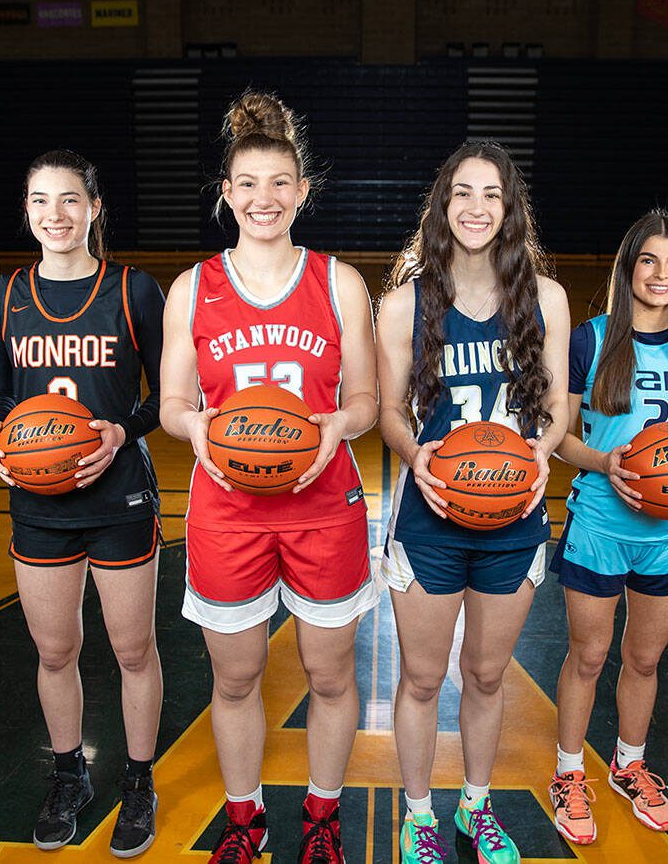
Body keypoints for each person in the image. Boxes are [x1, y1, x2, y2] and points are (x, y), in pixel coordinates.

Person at [159, 90, 379, 864]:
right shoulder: (192, 288)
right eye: (248, 183)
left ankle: (322, 816)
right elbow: (173, 402)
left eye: (280, 182)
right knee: (237, 675)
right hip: (227, 507)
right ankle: (245, 820)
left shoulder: (339, 282)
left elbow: (365, 400)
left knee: (328, 671)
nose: (264, 198)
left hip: (325, 504)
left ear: (303, 191)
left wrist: (337, 428)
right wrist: (202, 433)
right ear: (226, 193)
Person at [375, 141, 569, 864]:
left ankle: (477, 808)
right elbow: (390, 410)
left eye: (492, 194)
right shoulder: (404, 302)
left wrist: (542, 453)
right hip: (430, 518)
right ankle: (420, 813)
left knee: (487, 675)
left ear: (511, 208)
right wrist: (412, 453)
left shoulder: (544, 298)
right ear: (442, 205)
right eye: (462, 193)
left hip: (514, 520)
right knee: (423, 678)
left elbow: (558, 404)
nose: (477, 207)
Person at [0, 150, 166, 856]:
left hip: (118, 496)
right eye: (39, 201)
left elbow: (165, 396)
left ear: (94, 207)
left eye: (68, 200)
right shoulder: (6, 293)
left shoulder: (131, 290)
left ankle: (139, 783)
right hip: (38, 500)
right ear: (25, 210)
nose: (54, 215)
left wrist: (125, 428)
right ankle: (69, 776)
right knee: (55, 650)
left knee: (132, 649)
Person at [546, 209, 668, 845]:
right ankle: (569, 774)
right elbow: (557, 437)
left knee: (644, 659)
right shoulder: (591, 340)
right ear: (627, 270)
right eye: (648, 259)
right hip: (599, 519)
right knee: (589, 655)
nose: (661, 273)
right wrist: (605, 462)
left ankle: (629, 763)